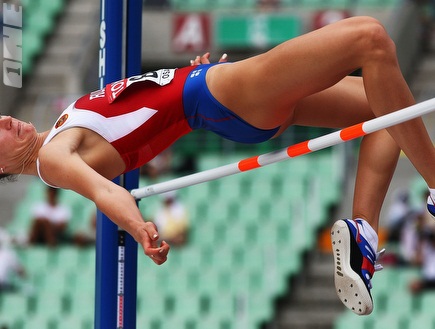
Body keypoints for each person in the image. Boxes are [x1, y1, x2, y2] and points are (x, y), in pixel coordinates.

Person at [1, 16, 435, 315]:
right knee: (371, 39)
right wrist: (141, 230)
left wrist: (182, 76)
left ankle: (363, 233)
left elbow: (145, 107)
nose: (5, 120)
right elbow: (105, 192)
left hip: (216, 95)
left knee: (391, 110)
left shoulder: (57, 130)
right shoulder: (52, 158)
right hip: (221, 96)